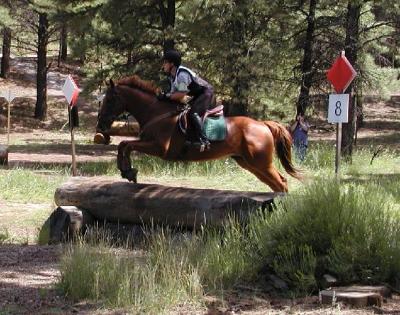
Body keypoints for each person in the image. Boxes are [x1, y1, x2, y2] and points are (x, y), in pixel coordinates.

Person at [159, 49, 215, 151]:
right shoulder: (172, 77)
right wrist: (164, 97)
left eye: (165, 62)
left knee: (193, 113)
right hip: (197, 94)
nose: (163, 65)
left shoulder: (181, 75)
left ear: (172, 64)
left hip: (205, 93)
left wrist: (166, 96)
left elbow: (180, 94)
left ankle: (204, 141)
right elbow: (173, 95)